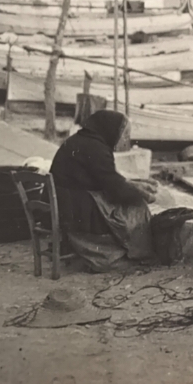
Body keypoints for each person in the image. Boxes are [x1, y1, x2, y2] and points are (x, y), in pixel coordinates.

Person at [49, 110, 159, 273]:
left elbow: (104, 177)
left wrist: (136, 184)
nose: (124, 138)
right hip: (77, 210)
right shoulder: (96, 149)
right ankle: (139, 254)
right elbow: (115, 188)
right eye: (124, 133)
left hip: (62, 203)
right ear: (110, 129)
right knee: (137, 207)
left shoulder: (77, 141)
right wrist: (143, 195)